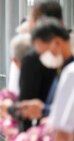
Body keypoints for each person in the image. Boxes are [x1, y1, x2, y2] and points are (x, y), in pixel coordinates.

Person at [17, 1, 62, 131]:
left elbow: (26, 109)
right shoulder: (66, 53)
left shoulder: (33, 58)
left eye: (31, 18)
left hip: (47, 136)